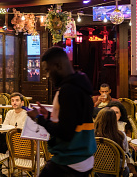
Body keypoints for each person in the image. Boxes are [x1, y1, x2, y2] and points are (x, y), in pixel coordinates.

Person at [27, 46, 96, 177]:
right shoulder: (80, 85)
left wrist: (39, 119)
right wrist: (48, 117)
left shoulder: (68, 90)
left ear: (58, 66)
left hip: (70, 160)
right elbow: (74, 121)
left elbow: (65, 133)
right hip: (84, 158)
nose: (47, 76)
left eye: (48, 70)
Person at [94, 108, 131, 177]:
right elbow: (125, 152)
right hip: (117, 171)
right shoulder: (121, 135)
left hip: (97, 171)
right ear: (114, 121)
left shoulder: (93, 135)